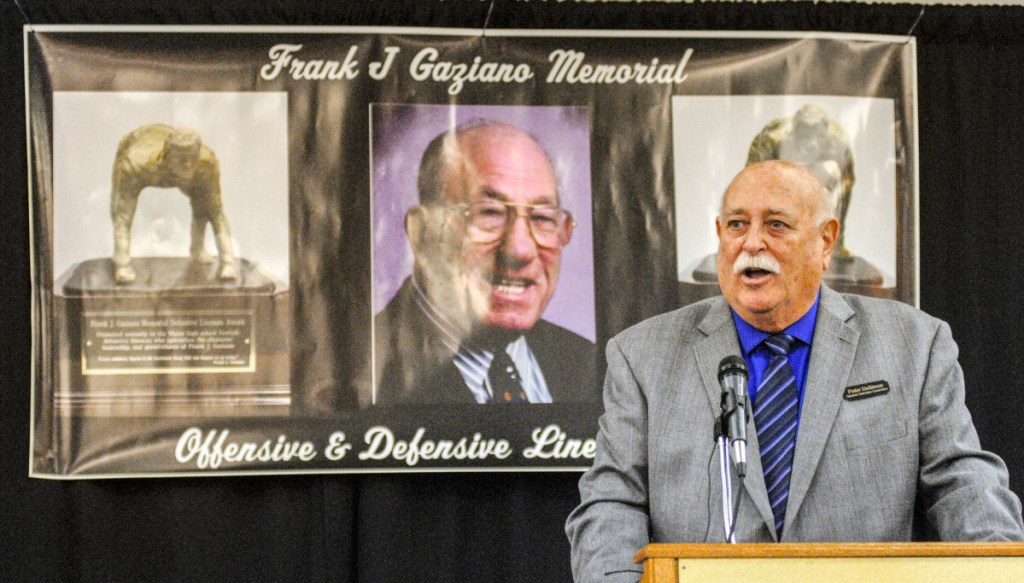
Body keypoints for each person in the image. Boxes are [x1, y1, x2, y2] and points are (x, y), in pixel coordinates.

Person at [566, 160, 1024, 582]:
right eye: (737, 225)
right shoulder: (643, 355)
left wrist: (1001, 568)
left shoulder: (913, 345)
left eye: (777, 225)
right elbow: (612, 503)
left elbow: (960, 479)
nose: (751, 243)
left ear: (825, 241)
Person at [373, 120, 596, 405]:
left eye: (542, 218)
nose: (520, 249)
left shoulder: (589, 365)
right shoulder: (361, 371)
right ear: (423, 233)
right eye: (489, 213)